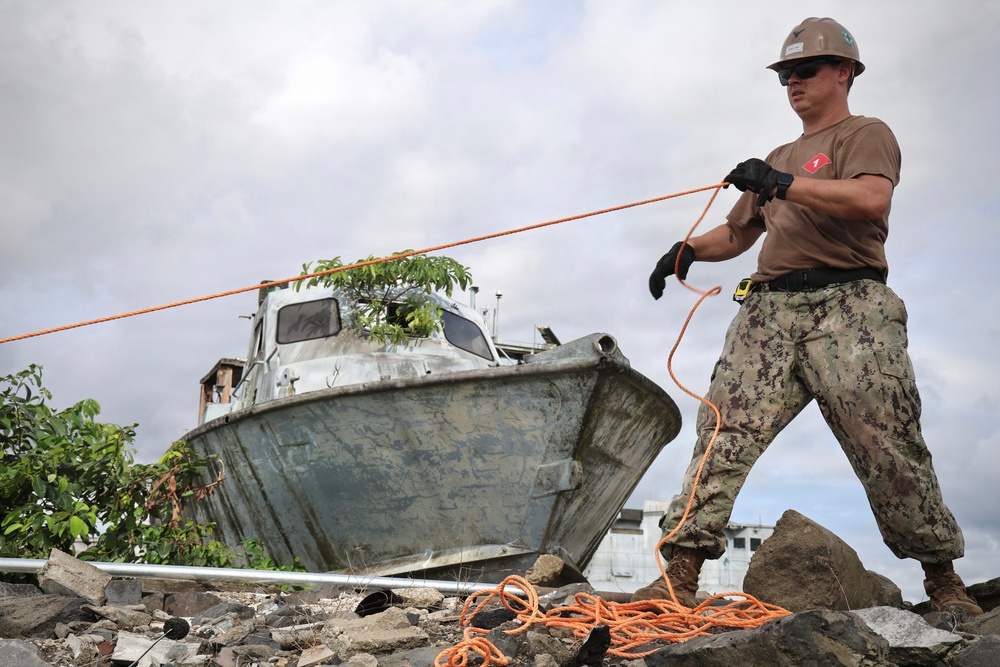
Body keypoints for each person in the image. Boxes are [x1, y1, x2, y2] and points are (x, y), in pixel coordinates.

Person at [636, 17, 982, 615]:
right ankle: (679, 579)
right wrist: (687, 251)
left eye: (805, 70)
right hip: (768, 311)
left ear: (843, 72)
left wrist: (783, 183)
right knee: (721, 433)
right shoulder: (778, 157)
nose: (792, 83)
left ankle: (944, 583)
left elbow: (870, 198)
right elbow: (738, 234)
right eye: (785, 75)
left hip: (851, 308)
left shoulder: (864, 133)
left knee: (888, 444)